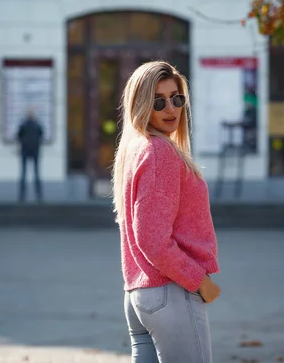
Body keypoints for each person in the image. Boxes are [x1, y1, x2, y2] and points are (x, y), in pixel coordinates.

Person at [111, 61, 221, 362]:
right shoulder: (159, 152)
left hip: (139, 295)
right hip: (170, 293)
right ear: (142, 105)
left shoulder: (136, 150)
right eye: (158, 101)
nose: (170, 108)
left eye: (177, 98)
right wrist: (200, 281)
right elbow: (151, 238)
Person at [17, 108, 44, 202]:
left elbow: (18, 136)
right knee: (35, 171)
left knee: (25, 171)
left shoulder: (23, 125)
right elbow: (41, 135)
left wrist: (24, 142)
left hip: (26, 149)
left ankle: (22, 192)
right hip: (34, 150)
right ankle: (38, 192)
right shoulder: (37, 125)